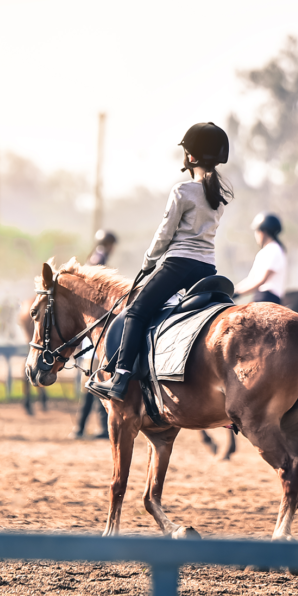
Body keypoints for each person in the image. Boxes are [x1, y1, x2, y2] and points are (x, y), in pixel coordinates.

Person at [88, 122, 232, 401]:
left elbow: (165, 233)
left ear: (190, 157)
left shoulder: (183, 191)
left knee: (135, 312)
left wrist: (148, 263)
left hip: (179, 265)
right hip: (207, 269)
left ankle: (120, 378)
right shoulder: (219, 198)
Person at [70, 230, 118, 439]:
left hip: (93, 327)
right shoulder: (100, 260)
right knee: (95, 378)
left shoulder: (95, 258)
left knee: (93, 379)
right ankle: (90, 427)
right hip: (95, 329)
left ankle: (83, 427)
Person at [234, 213, 286, 305]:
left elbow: (261, 280)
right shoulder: (264, 251)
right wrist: (232, 291)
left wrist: (238, 294)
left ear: (263, 231)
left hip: (267, 298)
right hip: (261, 297)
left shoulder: (274, 249)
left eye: (256, 231)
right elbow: (250, 279)